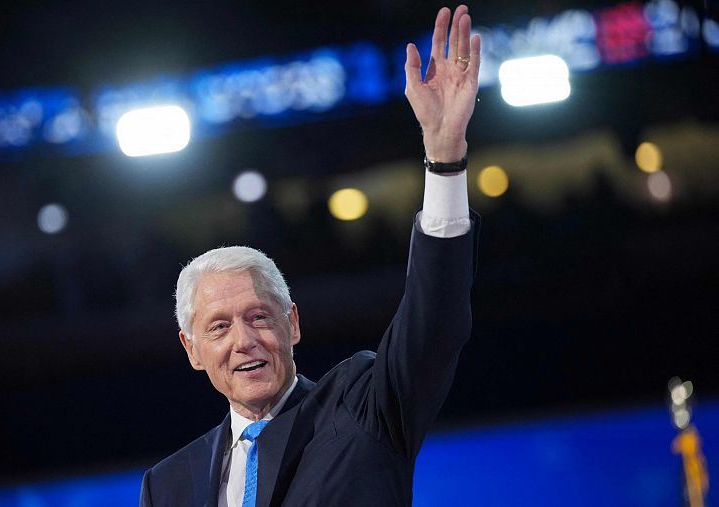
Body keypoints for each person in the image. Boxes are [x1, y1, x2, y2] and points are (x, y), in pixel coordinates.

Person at [140, 5, 481, 506]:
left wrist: (445, 156)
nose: (244, 340)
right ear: (191, 350)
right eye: (219, 327)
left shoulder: (364, 409)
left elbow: (435, 322)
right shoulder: (168, 485)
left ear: (292, 323)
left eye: (259, 316)